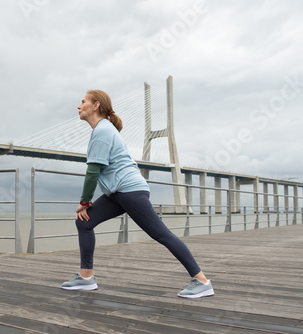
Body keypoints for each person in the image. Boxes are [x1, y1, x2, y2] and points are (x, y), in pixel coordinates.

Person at [60, 90, 214, 298]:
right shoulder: (102, 130)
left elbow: (93, 171)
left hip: (130, 191)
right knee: (84, 223)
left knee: (161, 234)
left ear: (95, 105)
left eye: (83, 102)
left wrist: (84, 202)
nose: (79, 106)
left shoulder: (103, 131)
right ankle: (86, 278)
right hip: (118, 192)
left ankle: (202, 280)